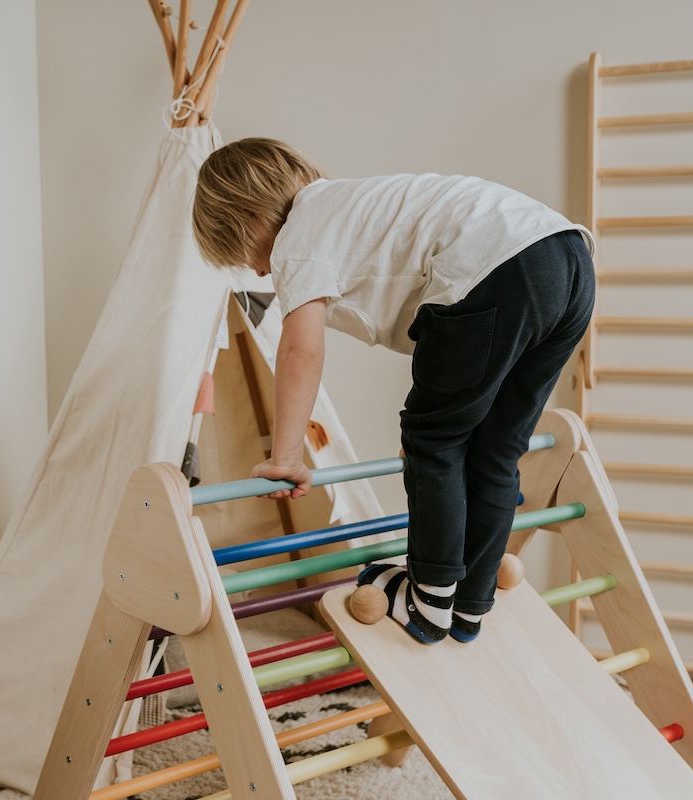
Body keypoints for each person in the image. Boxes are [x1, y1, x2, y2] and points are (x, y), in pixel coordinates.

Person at [192, 138, 594, 645]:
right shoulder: (350, 212)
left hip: (496, 266)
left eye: (245, 252)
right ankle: (470, 601)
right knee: (495, 450)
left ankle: (428, 599)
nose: (257, 271)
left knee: (432, 438)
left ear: (249, 216)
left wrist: (288, 456)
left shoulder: (299, 232)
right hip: (569, 259)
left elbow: (300, 352)